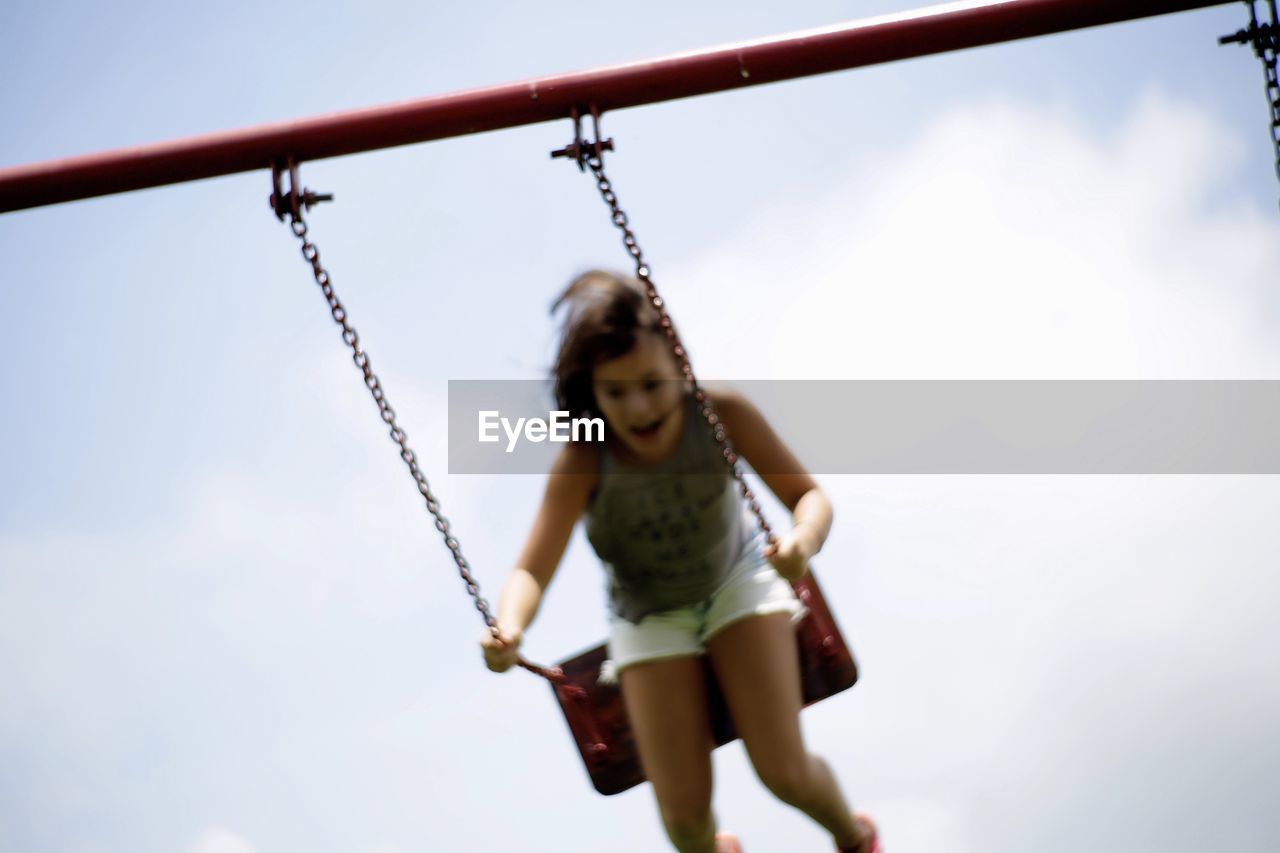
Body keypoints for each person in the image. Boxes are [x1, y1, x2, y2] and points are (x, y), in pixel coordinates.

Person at [480, 270, 880, 853]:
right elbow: (530, 570)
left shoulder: (718, 413)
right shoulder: (586, 457)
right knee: (685, 819)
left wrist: (801, 542)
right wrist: (509, 627)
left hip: (735, 580)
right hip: (648, 616)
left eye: (650, 383)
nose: (638, 407)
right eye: (615, 393)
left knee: (783, 771)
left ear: (678, 364)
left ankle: (853, 836)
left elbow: (808, 498)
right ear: (592, 395)